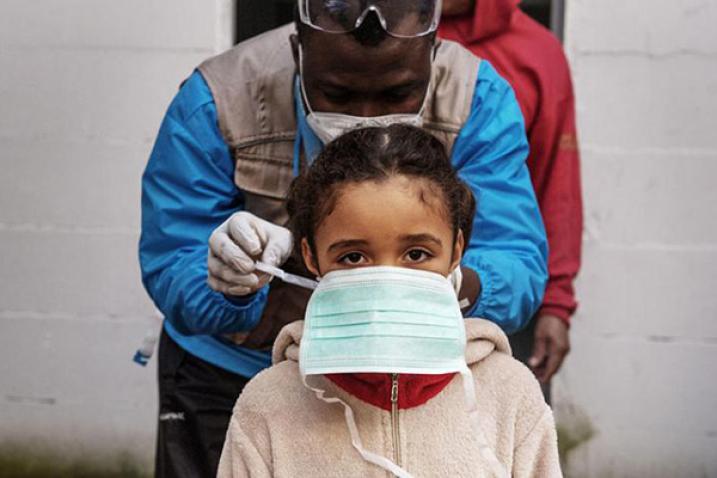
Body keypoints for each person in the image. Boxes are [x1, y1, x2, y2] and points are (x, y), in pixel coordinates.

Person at [140, 2, 547, 476]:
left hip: (412, 379)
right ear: (298, 49)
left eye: (399, 93)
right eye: (337, 92)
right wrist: (227, 283)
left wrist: (448, 286)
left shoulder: (477, 97)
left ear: (432, 56)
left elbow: (516, 259)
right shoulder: (217, 99)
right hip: (230, 373)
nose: (368, 118)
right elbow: (173, 259)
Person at [217, 125, 561, 478]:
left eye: (416, 253)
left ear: (456, 250)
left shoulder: (510, 395)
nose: (386, 281)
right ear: (311, 256)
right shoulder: (268, 406)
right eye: (353, 257)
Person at [439, 0, 583, 392]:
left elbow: (556, 182)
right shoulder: (383, 37)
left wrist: (556, 302)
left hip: (496, 301)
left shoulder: (538, 53)